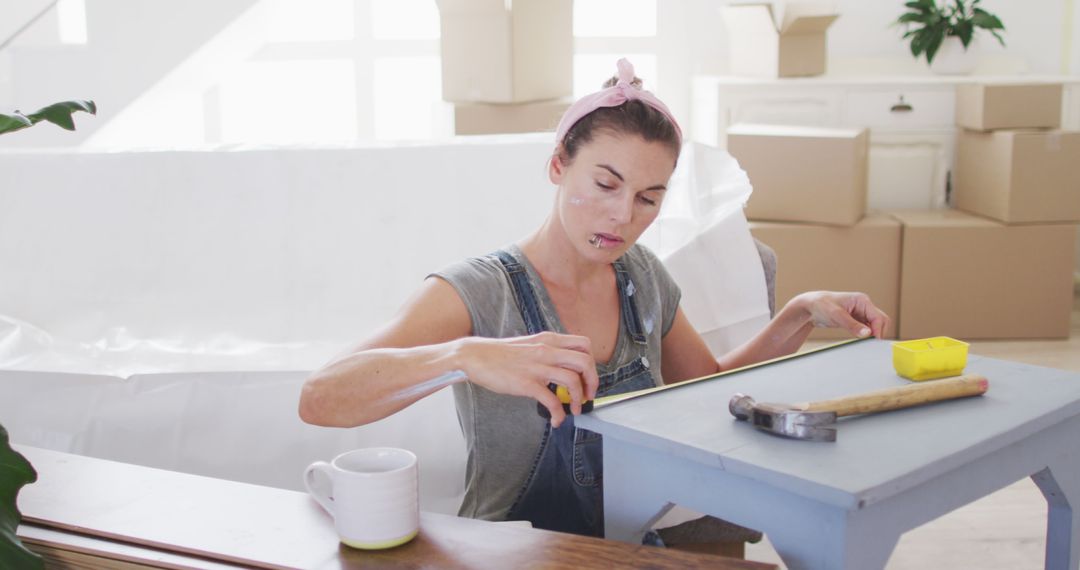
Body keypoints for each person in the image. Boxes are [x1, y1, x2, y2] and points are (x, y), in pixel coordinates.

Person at [298, 58, 889, 539]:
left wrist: (799, 313)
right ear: (558, 165)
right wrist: (462, 356)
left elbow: (705, 390)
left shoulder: (642, 277)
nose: (622, 216)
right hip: (507, 554)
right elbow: (319, 397)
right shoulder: (479, 289)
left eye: (648, 198)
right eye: (605, 184)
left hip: (621, 551)